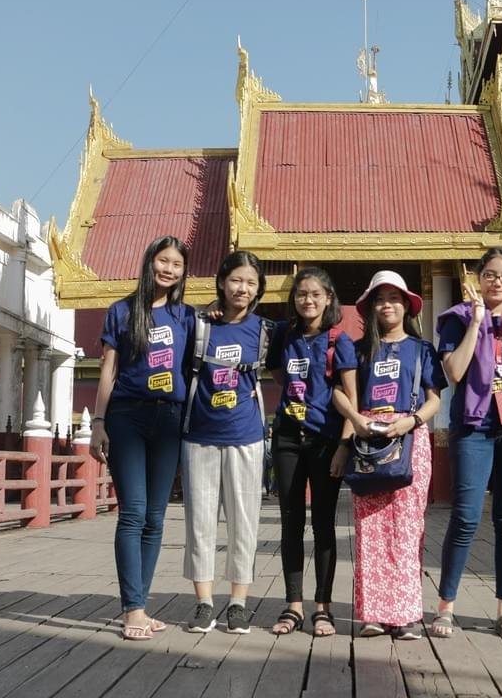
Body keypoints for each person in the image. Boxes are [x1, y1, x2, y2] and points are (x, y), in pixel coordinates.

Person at [432, 247, 502, 640]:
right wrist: (478, 322)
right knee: (465, 518)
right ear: (477, 278)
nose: (498, 282)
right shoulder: (456, 319)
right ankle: (446, 607)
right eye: (491, 274)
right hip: (474, 428)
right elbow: (455, 372)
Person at [89, 235, 194, 641]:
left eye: (177, 264)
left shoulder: (186, 317)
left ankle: (142, 604)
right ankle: (132, 609)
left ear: (184, 272)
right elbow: (108, 371)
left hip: (170, 418)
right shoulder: (121, 312)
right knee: (132, 512)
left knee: (155, 516)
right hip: (127, 417)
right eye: (162, 261)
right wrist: (98, 422)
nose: (168, 269)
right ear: (149, 262)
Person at [334, 270, 445, 640]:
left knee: (408, 528)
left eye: (394, 298)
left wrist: (410, 422)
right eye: (380, 299)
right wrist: (355, 422)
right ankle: (373, 614)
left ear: (406, 306)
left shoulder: (422, 349)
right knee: (370, 527)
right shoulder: (357, 347)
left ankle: (407, 614)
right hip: (368, 437)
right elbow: (341, 392)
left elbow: (434, 401)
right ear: (370, 307)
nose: (387, 305)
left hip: (410, 437)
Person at [183, 250, 271, 635]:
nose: (243, 288)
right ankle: (203, 602)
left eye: (251, 283)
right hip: (200, 434)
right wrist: (206, 308)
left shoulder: (266, 330)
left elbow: (309, 347)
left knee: (243, 522)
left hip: (246, 435)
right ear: (221, 282)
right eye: (236, 280)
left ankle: (238, 601)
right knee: (200, 522)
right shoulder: (199, 325)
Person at [266, 267, 358, 637]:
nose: (308, 300)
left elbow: (352, 400)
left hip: (325, 440)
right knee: (291, 522)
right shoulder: (284, 335)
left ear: (328, 299)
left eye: (316, 294)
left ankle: (323, 607)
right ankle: (292, 606)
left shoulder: (339, 340)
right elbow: (278, 375)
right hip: (287, 436)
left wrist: (344, 446)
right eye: (302, 294)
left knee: (322, 524)